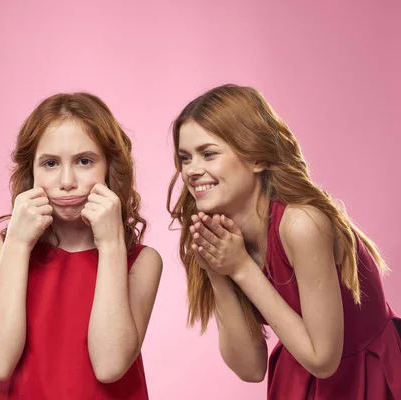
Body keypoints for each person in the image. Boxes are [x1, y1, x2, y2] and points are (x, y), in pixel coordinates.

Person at [167, 84, 401, 399]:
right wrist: (217, 270)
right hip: (299, 379)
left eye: (208, 154)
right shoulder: (220, 236)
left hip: (370, 376)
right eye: (185, 158)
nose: (192, 171)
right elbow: (250, 369)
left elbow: (323, 359)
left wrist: (241, 269)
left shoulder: (302, 225)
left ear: (257, 159)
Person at [0, 92, 162, 399]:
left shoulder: (141, 261)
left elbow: (109, 365)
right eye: (50, 163)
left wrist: (111, 243)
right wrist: (19, 244)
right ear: (31, 173)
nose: (66, 181)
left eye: (84, 161)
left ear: (110, 168)